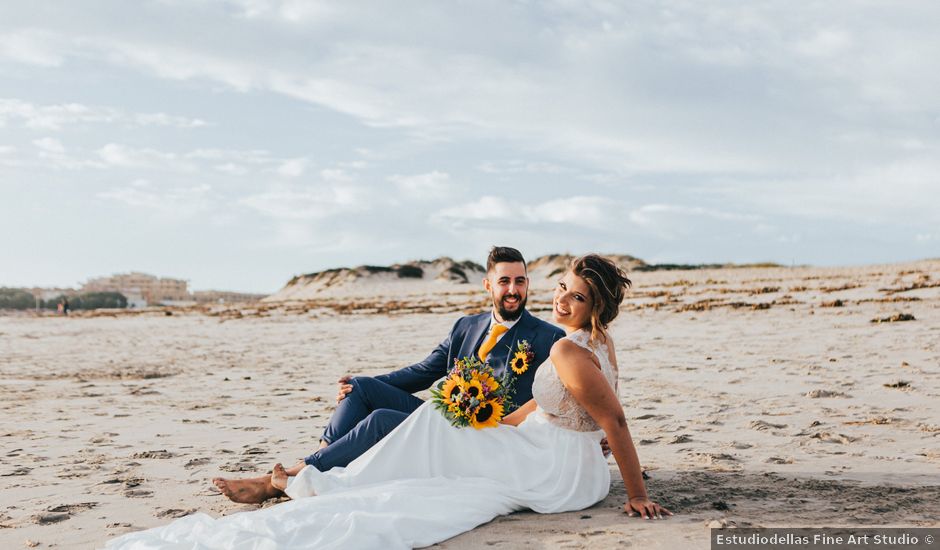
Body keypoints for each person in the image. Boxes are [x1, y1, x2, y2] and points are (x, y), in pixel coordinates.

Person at [108, 254, 671, 550]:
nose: (560, 298)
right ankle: (321, 461)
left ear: (594, 304)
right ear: (490, 286)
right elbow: (535, 405)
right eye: (561, 288)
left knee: (426, 424)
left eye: (575, 295)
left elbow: (612, 419)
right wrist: (500, 427)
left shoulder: (561, 347)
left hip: (555, 470)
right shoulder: (585, 340)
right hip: (541, 444)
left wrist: (638, 495)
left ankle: (307, 477)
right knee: (393, 404)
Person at [213, 246, 566, 504]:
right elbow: (423, 372)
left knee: (382, 419)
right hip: (443, 419)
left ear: (528, 284)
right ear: (488, 286)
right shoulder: (466, 326)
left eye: (520, 281)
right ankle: (315, 461)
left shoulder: (547, 337)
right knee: (363, 387)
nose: (513, 290)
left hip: (490, 438)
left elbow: (560, 396)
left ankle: (287, 477)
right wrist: (357, 385)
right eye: (504, 281)